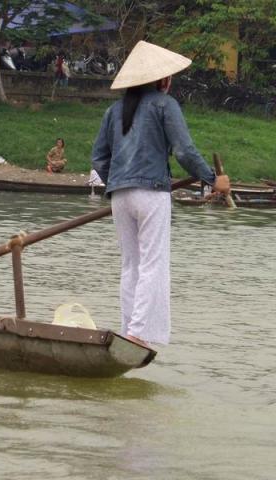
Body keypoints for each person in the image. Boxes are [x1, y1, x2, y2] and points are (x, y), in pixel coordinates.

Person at [91, 40, 231, 347]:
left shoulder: (114, 111)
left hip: (120, 196)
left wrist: (117, 181)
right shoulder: (165, 105)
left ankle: (130, 327)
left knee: (131, 264)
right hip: (151, 193)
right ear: (163, 80)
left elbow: (99, 159)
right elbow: (183, 150)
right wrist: (212, 179)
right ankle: (137, 333)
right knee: (153, 263)